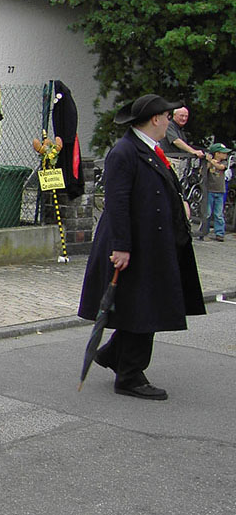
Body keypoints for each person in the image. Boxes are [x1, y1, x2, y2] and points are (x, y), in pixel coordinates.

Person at [79, 94, 205, 401]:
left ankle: (114, 355)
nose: (169, 122)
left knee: (142, 306)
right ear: (155, 120)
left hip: (151, 243)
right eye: (167, 117)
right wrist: (121, 246)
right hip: (133, 245)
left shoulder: (148, 148)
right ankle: (130, 376)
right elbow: (118, 203)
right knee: (143, 308)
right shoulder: (124, 152)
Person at [199, 142, 231, 242]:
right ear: (217, 153)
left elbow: (221, 167)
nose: (225, 155)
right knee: (207, 213)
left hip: (220, 191)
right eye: (223, 153)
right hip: (209, 190)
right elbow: (202, 172)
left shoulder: (224, 163)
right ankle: (204, 232)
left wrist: (211, 161)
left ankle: (220, 233)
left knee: (219, 214)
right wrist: (208, 162)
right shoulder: (209, 162)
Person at [158, 105, 204, 171]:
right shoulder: (169, 125)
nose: (184, 118)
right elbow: (176, 141)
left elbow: (185, 145)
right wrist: (193, 151)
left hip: (179, 162)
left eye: (186, 116)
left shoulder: (180, 129)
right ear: (174, 115)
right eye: (181, 116)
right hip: (170, 160)